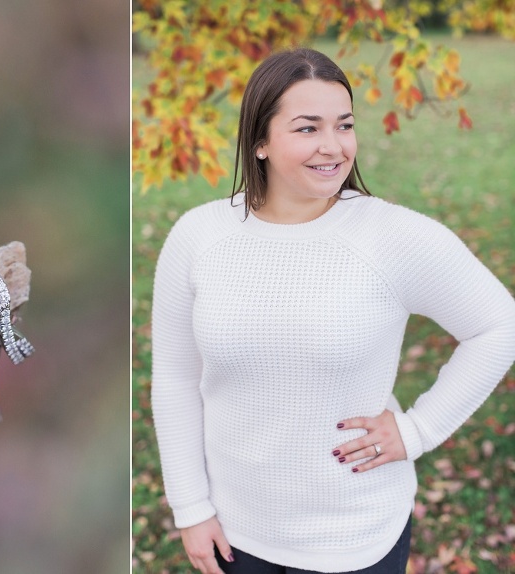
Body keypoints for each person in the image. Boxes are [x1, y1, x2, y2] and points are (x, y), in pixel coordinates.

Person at [150, 47, 515, 574]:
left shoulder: (390, 235)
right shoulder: (199, 236)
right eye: (307, 128)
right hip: (236, 534)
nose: (333, 146)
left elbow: (498, 324)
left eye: (343, 125)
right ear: (259, 142)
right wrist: (190, 508)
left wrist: (418, 431)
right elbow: (177, 381)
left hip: (357, 539)